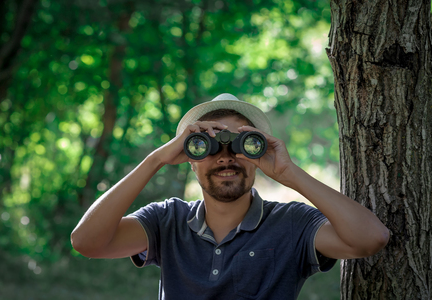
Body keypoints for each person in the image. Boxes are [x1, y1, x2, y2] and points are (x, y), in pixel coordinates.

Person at [71, 93, 389, 299]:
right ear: (190, 159)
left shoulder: (292, 223)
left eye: (241, 145)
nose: (226, 158)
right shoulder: (166, 220)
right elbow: (87, 242)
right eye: (208, 146)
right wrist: (156, 159)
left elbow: (370, 239)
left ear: (256, 154)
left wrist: (290, 174)